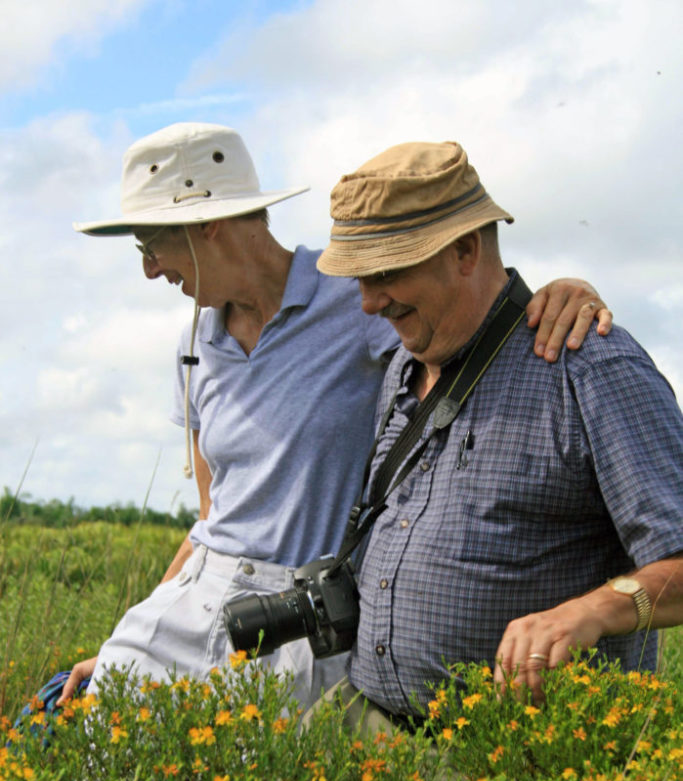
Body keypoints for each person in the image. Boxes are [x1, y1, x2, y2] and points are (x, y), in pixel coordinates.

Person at [59, 123, 612, 712]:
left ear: (205, 225)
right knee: (104, 721)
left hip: (303, 601)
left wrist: (563, 292)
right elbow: (211, 516)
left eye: (150, 244)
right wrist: (146, 633)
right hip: (201, 588)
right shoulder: (194, 344)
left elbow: (472, 311)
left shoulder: (356, 297)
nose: (148, 270)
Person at [310, 139, 683, 724]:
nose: (367, 302)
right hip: (367, 719)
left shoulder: (590, 367)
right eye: (358, 277)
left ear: (463, 250)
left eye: (384, 271)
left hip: (510, 766)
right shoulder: (403, 369)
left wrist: (591, 612)